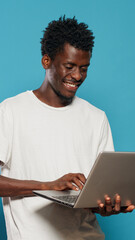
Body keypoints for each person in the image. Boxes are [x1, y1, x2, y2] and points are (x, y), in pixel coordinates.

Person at [0, 16, 134, 240]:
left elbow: (96, 193)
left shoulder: (97, 118)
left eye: (84, 68)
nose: (78, 76)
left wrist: (107, 205)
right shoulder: (10, 111)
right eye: (69, 66)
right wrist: (48, 186)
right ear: (46, 61)